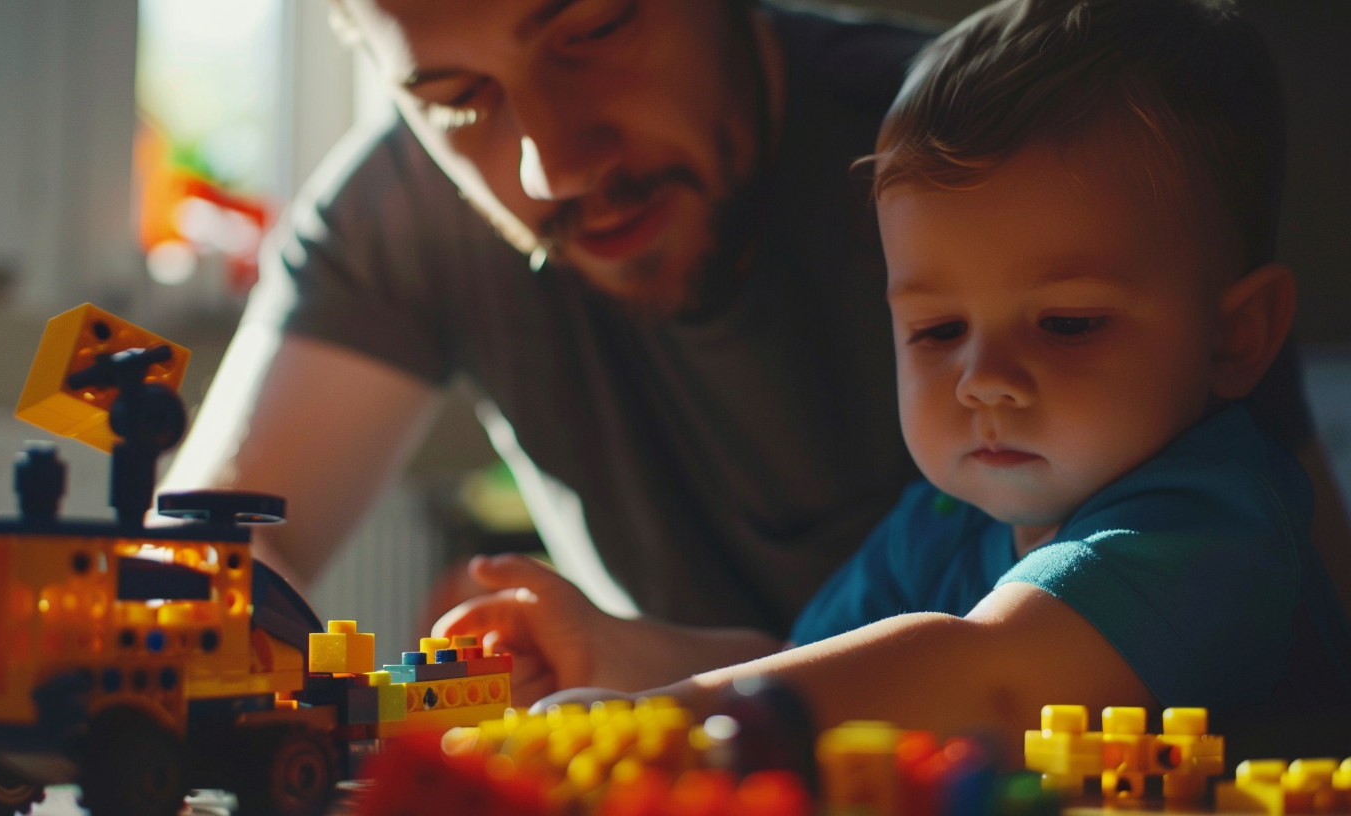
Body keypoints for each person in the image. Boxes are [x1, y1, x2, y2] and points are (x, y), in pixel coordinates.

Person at [161, 0, 1350, 653]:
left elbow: (1304, 617)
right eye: (457, 100)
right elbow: (202, 559)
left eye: (593, 29)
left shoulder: (983, 161)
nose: (552, 160)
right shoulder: (399, 212)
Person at [435, 0, 1351, 744]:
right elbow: (817, 665)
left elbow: (986, 678)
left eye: (1068, 323)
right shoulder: (945, 523)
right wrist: (617, 655)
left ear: (1236, 336)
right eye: (939, 327)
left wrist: (660, 727)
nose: (983, 380)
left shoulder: (1214, 529)